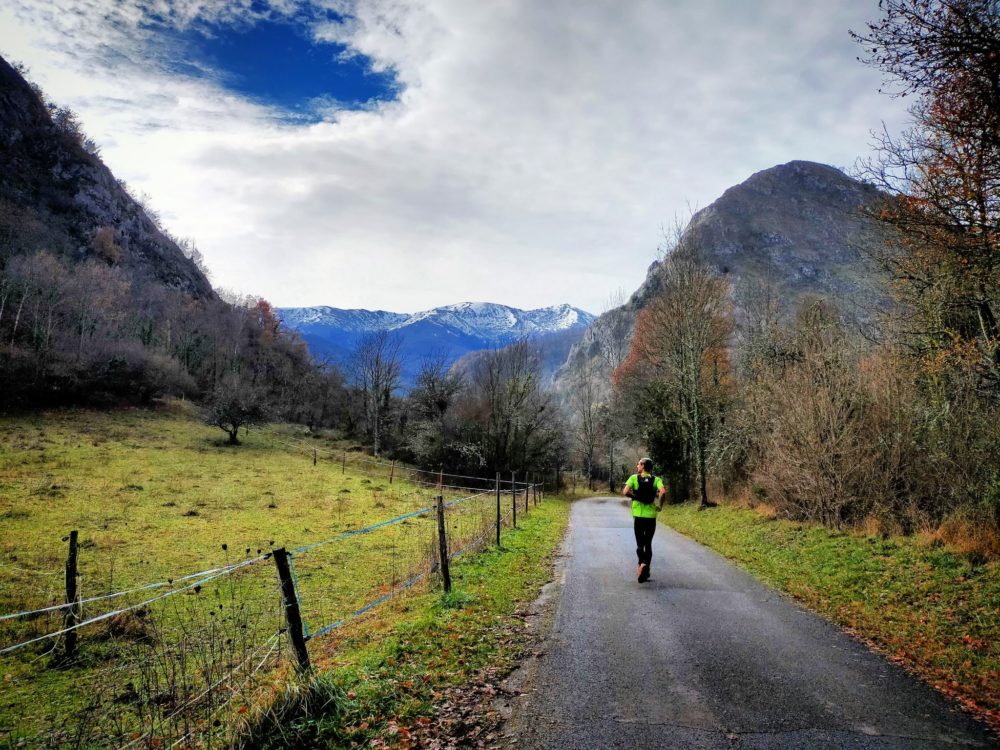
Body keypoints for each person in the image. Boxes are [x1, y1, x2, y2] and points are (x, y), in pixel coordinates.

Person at [622, 457, 666, 583]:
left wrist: (634, 497)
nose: (637, 466)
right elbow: (662, 492)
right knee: (648, 543)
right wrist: (660, 505)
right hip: (651, 516)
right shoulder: (656, 479)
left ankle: (641, 564)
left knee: (640, 544)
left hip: (639, 515)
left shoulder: (634, 478)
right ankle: (646, 569)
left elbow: (625, 492)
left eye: (638, 464)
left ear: (642, 466)